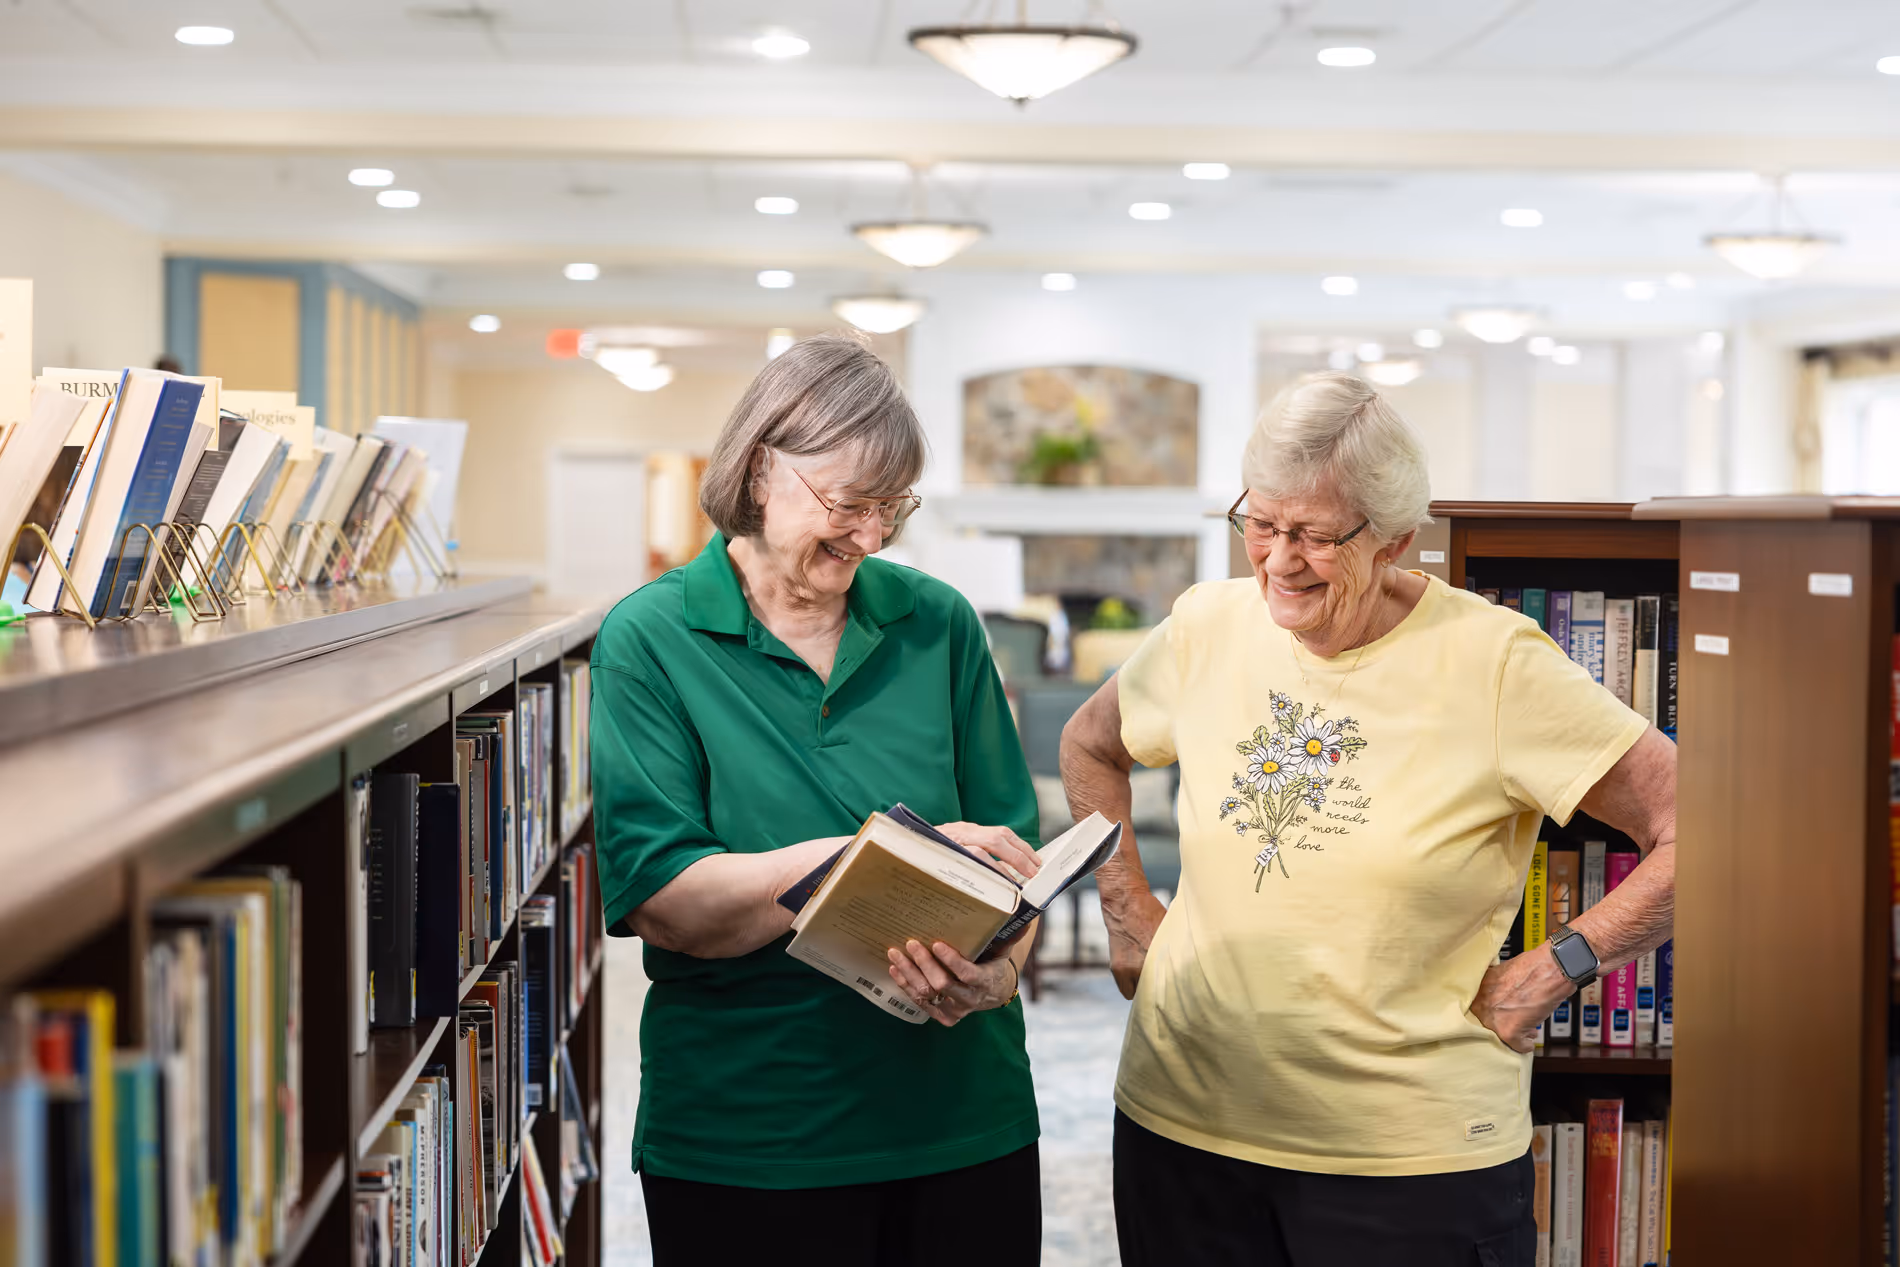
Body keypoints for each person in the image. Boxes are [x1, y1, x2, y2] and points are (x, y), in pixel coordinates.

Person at [1060, 371, 1676, 1266]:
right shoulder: (1206, 625)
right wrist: (1127, 912)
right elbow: (1090, 746)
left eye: (1311, 535)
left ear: (1394, 538)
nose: (1275, 561)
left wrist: (1558, 965)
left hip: (1409, 1162)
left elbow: (1695, 823)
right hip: (1182, 1129)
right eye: (1259, 524)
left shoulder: (1496, 662)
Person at [590, 335, 1045, 1265]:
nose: (871, 537)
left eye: (892, 509)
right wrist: (865, 855)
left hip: (962, 1119)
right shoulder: (651, 638)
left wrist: (997, 973)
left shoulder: (938, 623)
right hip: (753, 1137)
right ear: (762, 470)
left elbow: (1014, 860)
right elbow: (664, 899)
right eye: (848, 503)